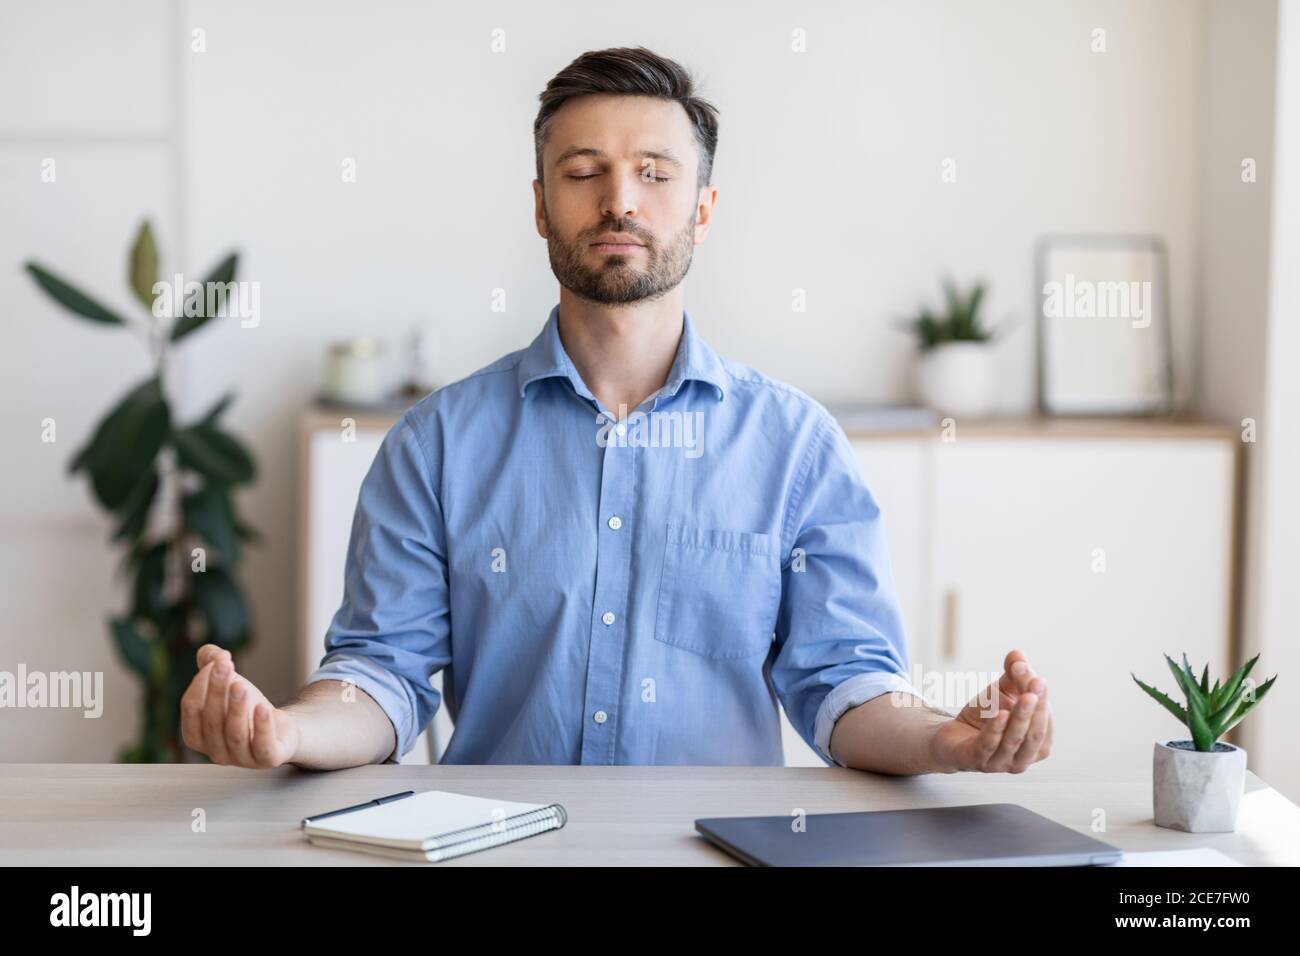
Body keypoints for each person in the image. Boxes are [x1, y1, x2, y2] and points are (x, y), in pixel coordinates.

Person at [182, 46, 1052, 775]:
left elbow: (845, 685)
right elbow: (380, 676)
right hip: (496, 853)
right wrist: (291, 732)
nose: (620, 201)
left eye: (654, 174)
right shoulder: (436, 443)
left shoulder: (795, 448)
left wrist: (947, 740)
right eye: (583, 172)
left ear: (703, 209)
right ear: (539, 205)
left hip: (716, 853)